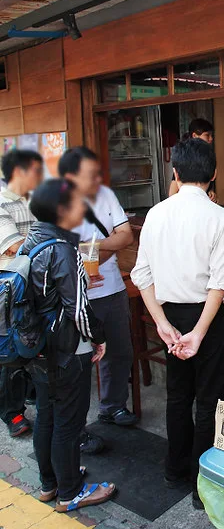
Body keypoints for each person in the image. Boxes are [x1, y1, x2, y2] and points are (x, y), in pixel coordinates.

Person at [131, 137, 224, 510]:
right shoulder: (219, 217)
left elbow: (141, 275)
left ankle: (174, 471)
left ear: (174, 173)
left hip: (171, 317)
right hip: (206, 319)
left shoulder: (156, 214)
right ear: (214, 174)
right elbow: (219, 284)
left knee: (178, 396)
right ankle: (202, 485)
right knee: (209, 400)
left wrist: (160, 323)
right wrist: (200, 333)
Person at [22, 179, 115, 512]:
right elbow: (79, 311)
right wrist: (99, 339)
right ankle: (71, 492)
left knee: (46, 415)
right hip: (66, 349)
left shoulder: (30, 242)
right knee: (69, 421)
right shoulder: (64, 250)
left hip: (35, 346)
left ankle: (50, 483)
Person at [59, 147, 137, 427]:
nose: (95, 179)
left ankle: (112, 406)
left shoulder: (106, 195)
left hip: (112, 288)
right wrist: (87, 263)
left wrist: (91, 252)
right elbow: (59, 251)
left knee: (120, 351)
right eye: (88, 174)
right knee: (78, 360)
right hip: (75, 295)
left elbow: (126, 235)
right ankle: (75, 427)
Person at [0, 149, 44, 438]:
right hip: (9, 291)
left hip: (33, 285)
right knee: (9, 351)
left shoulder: (32, 200)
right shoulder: (1, 202)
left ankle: (30, 392)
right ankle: (11, 412)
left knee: (32, 341)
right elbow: (14, 246)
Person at [168, 119, 216, 201]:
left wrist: (210, 193)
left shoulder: (207, 158)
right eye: (207, 135)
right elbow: (172, 194)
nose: (211, 139)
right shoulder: (185, 159)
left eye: (211, 135)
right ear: (194, 135)